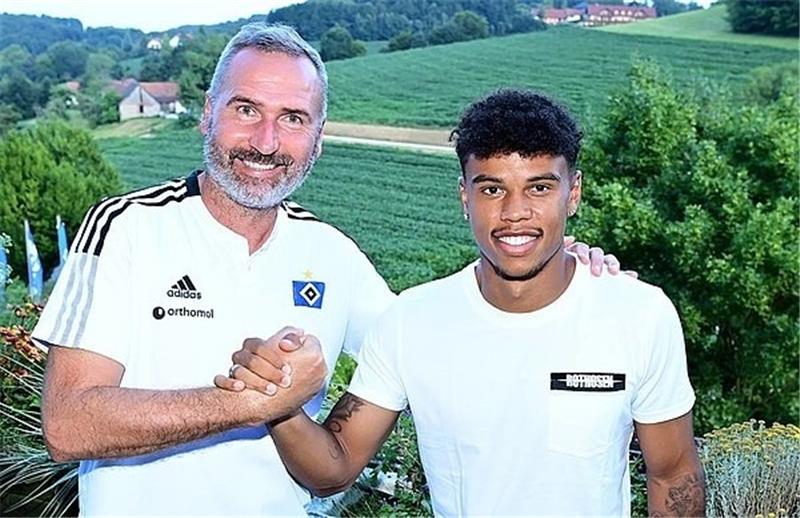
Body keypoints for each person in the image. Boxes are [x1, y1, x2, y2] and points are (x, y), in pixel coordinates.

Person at [33, 24, 619, 516]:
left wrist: (560, 272)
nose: (266, 141)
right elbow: (69, 424)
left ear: (318, 137)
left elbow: (438, 341)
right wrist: (251, 404)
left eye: (292, 118)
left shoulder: (332, 254)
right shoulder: (127, 227)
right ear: (208, 114)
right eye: (246, 110)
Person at [221, 89, 705, 516]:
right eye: (492, 189)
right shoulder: (411, 321)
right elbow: (334, 469)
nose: (515, 214)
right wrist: (277, 405)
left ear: (572, 193)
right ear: (464, 197)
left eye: (539, 187)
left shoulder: (640, 315)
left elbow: (674, 477)